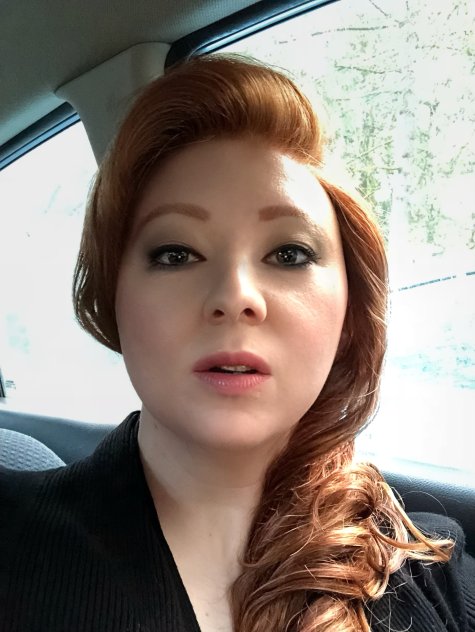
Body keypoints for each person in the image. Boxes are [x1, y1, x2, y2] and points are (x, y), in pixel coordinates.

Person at [0, 54, 474, 632]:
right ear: (113, 299)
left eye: (289, 253)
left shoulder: (431, 577)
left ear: (350, 311)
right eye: (176, 253)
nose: (234, 296)